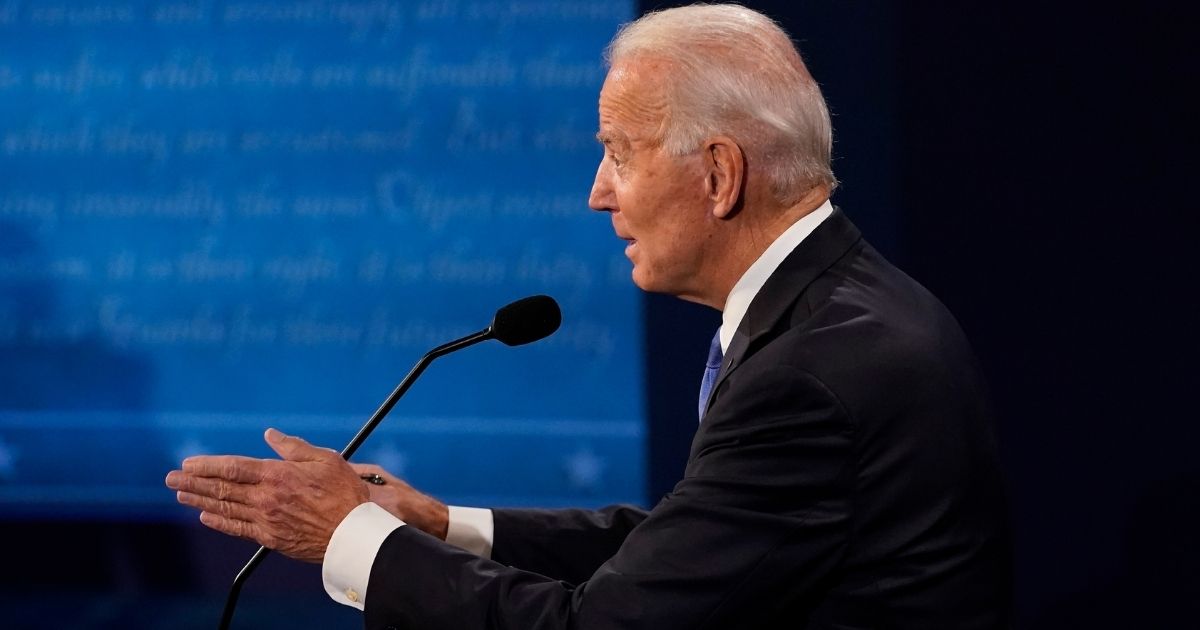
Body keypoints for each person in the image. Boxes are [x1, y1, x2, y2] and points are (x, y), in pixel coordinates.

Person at [166, 4, 1010, 628]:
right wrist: (441, 526)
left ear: (718, 175)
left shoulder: (813, 374)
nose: (597, 192)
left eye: (618, 152)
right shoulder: (843, 309)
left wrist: (348, 536)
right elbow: (697, 545)